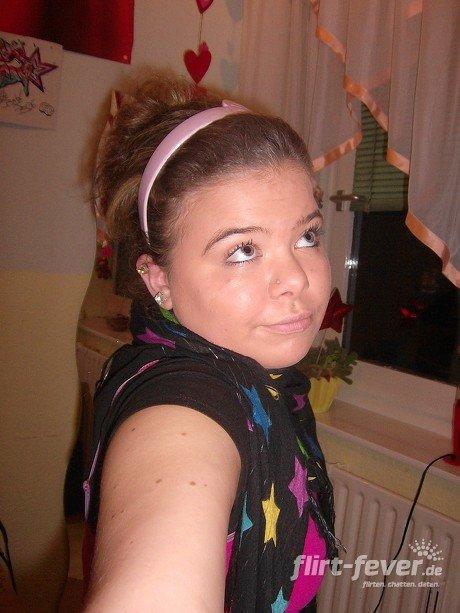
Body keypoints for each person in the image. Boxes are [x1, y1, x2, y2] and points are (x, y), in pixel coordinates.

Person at [82, 73, 344, 612]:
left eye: (307, 236)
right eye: (243, 250)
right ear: (158, 279)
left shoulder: (268, 386)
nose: (296, 279)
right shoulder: (182, 412)